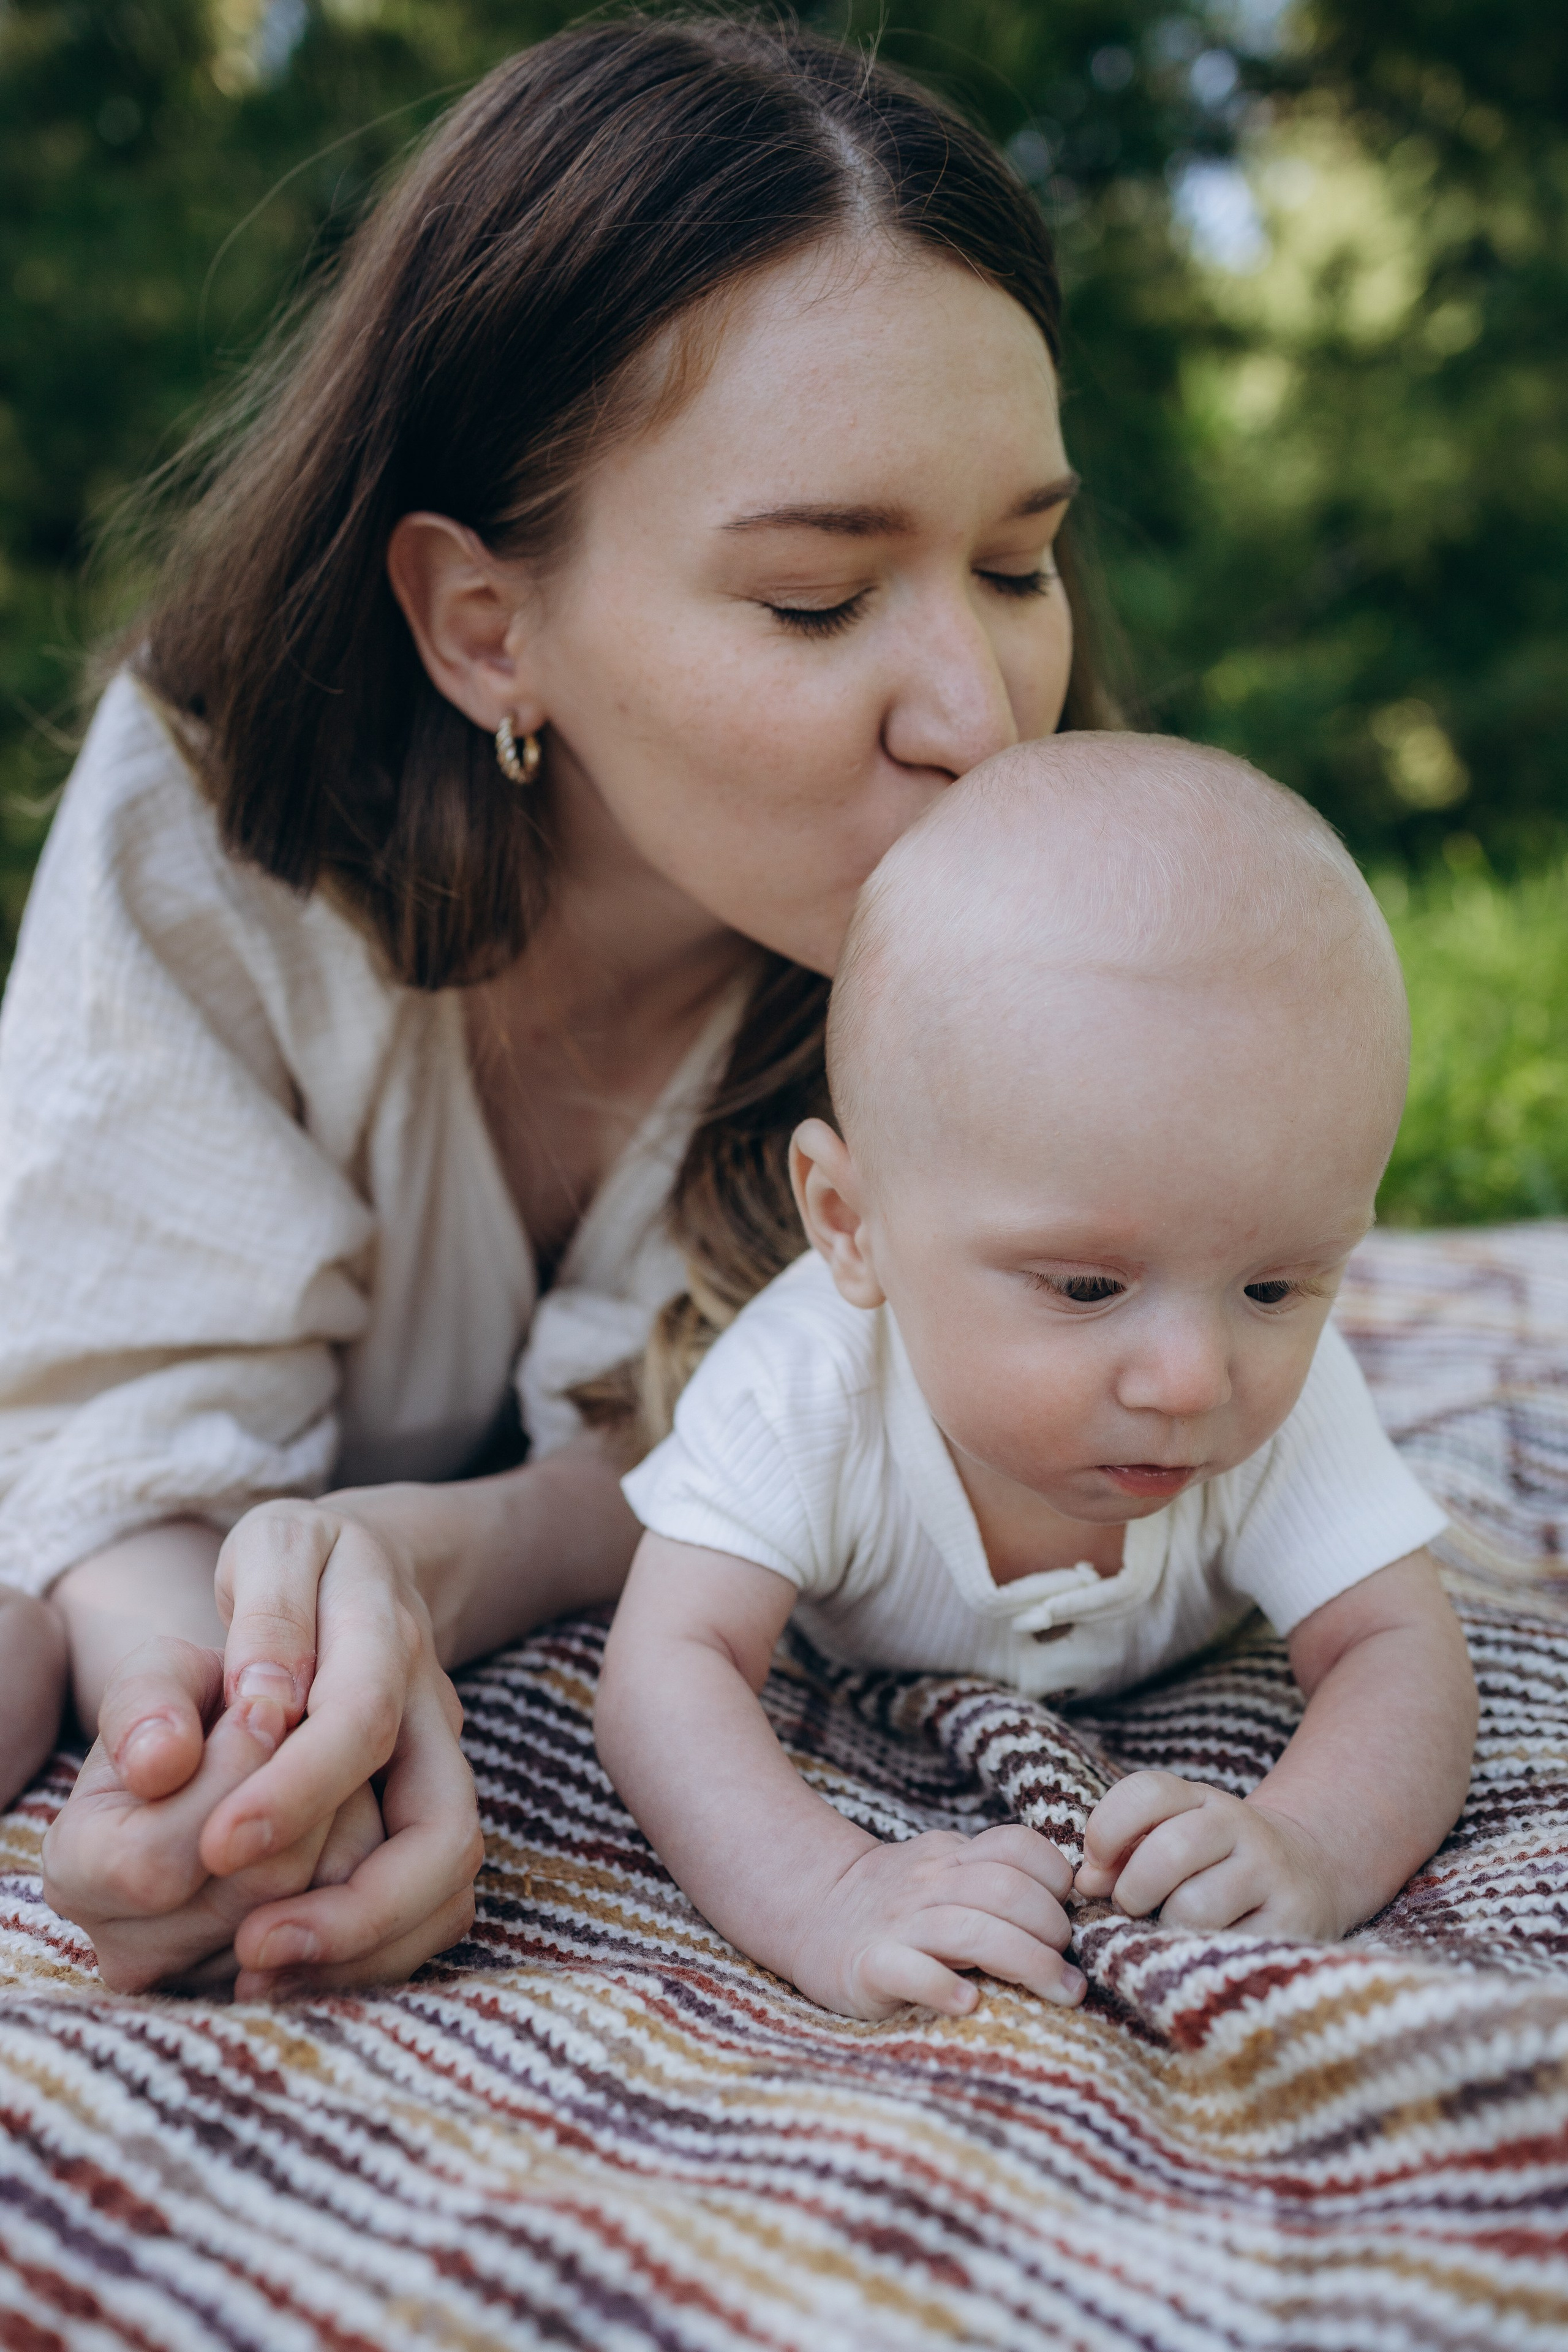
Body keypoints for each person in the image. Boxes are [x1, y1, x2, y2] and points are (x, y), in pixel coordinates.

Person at [0, 17, 1113, 1994]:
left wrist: (442, 1568)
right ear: (483, 626)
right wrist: (228, 1732)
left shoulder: (1051, 944)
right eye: (816, 601)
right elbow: (112, 1408)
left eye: (1020, 561)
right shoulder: (213, 816)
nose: (980, 716)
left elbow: (896, 1433)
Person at [596, 737, 1477, 2021]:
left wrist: (1312, 1840)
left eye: (1274, 1287)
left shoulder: (1284, 1404)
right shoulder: (802, 1390)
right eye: (1082, 1288)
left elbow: (1400, 1650)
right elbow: (663, 1671)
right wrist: (827, 1890)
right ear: (851, 1224)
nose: (1190, 1379)